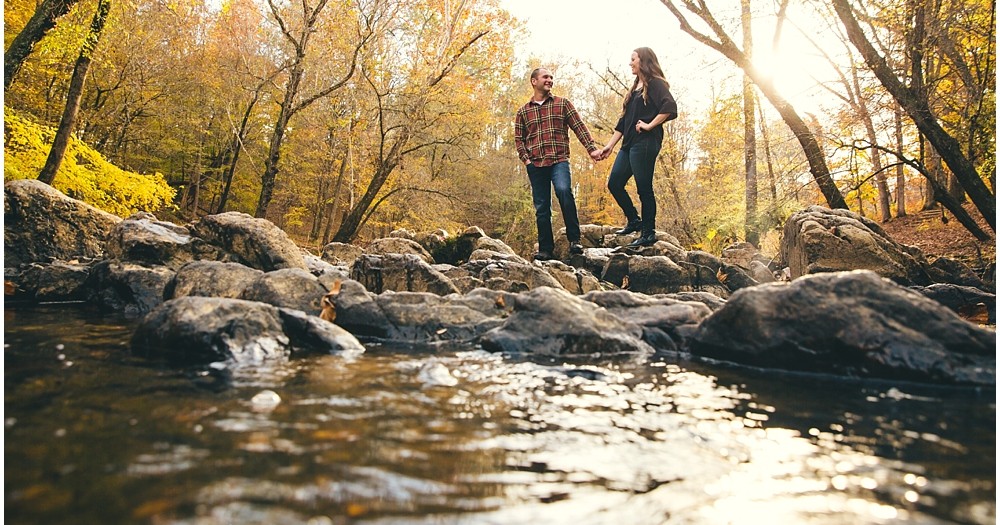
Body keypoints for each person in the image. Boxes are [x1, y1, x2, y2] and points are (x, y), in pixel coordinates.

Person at [515, 67, 604, 261]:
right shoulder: (523, 111)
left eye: (551, 78)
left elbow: (579, 127)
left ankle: (575, 240)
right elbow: (519, 139)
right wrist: (527, 160)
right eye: (545, 77)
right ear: (534, 81)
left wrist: (592, 149)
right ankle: (546, 249)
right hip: (536, 164)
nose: (549, 80)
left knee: (564, 191)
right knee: (542, 207)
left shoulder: (562, 104)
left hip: (559, 160)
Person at [595, 47, 678, 248]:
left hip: (646, 143)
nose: (630, 63)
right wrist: (609, 146)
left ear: (643, 61)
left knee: (644, 188)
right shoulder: (635, 89)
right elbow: (623, 122)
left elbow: (670, 107)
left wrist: (649, 125)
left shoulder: (656, 84)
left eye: (633, 59)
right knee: (614, 183)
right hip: (628, 144)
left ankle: (648, 233)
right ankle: (634, 220)